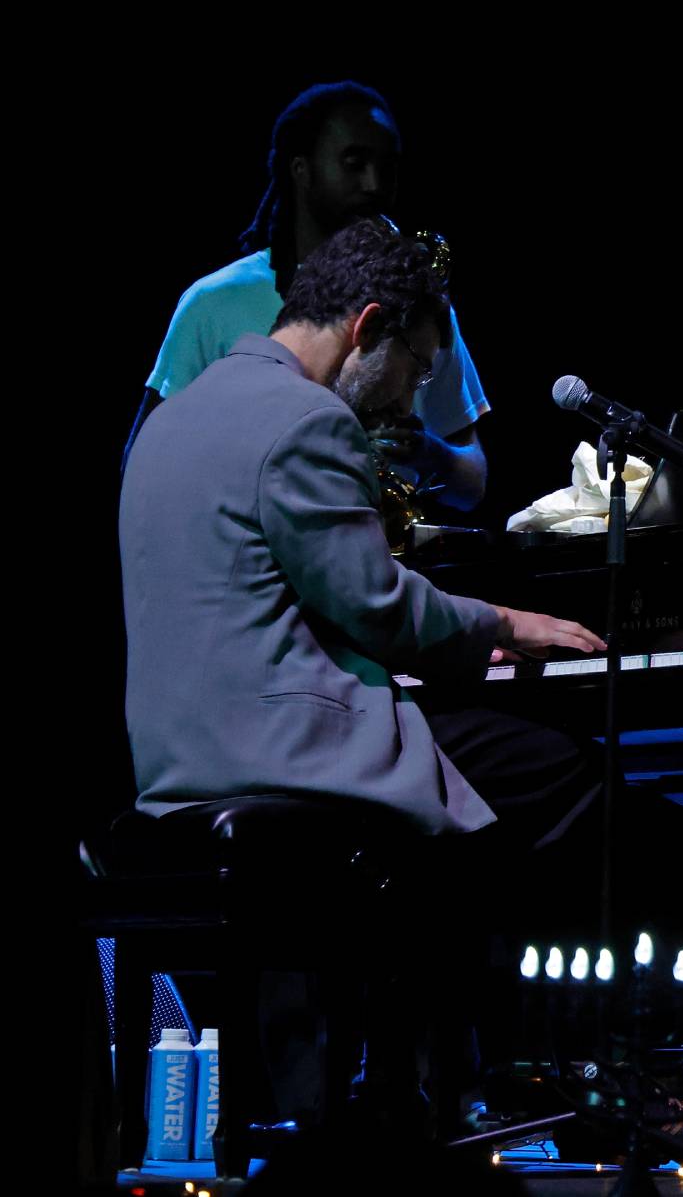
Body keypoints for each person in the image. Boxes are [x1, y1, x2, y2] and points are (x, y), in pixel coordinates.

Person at [121, 218, 602, 1136]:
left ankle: (394, 1080)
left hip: (179, 760)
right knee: (563, 772)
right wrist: (506, 624)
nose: (411, 400)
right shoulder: (307, 419)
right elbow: (375, 604)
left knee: (481, 781)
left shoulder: (171, 422)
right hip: (282, 755)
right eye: (415, 368)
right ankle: (459, 1084)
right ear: (366, 326)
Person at [129, 81, 489, 509]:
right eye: (354, 163)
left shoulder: (417, 307)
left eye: (387, 166)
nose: (374, 185)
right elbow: (144, 464)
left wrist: (429, 452)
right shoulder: (214, 302)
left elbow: (473, 483)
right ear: (301, 170)